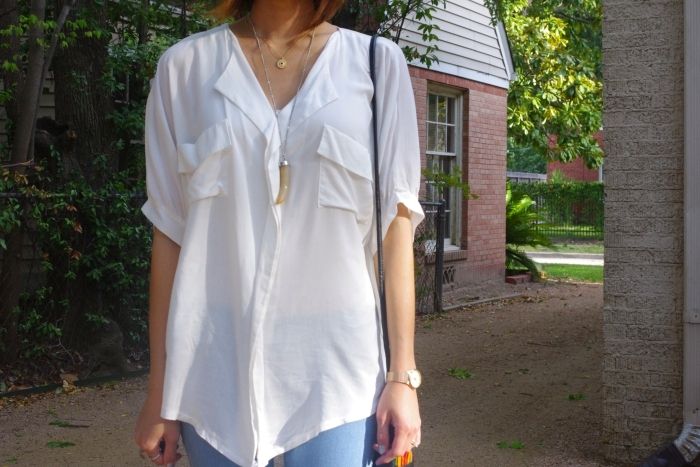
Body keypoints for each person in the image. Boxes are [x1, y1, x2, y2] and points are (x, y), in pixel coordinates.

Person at [133, 0, 425, 465]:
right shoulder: (184, 69)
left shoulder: (376, 64)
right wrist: (160, 392)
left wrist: (402, 377)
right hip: (214, 367)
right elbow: (169, 233)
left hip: (339, 368)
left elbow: (397, 225)